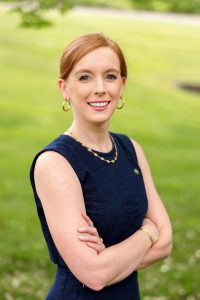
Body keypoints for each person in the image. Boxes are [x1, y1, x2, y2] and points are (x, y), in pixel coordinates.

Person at [30, 33, 172, 300]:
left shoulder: (131, 149)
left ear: (122, 84)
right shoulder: (55, 162)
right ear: (64, 87)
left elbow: (166, 243)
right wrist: (148, 232)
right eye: (85, 77)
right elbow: (94, 275)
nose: (100, 88)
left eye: (110, 76)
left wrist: (108, 260)